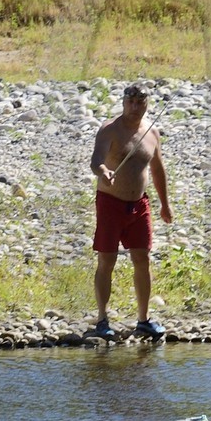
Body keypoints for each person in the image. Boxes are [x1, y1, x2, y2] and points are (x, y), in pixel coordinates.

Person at [89, 82, 173, 338]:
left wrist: (165, 205)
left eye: (140, 102)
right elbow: (96, 160)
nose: (135, 107)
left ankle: (143, 319)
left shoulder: (151, 132)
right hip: (110, 203)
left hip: (139, 205)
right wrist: (103, 172)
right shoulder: (109, 130)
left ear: (147, 104)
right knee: (107, 259)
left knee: (142, 259)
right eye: (131, 102)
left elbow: (157, 170)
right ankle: (103, 319)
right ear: (123, 103)